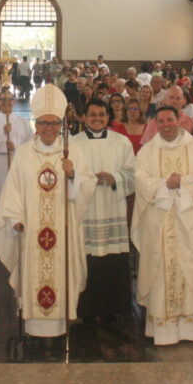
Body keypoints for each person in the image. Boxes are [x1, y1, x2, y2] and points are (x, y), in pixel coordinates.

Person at [0, 83, 96, 340]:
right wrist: (15, 219)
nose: (49, 128)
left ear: (62, 125)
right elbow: (13, 188)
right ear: (35, 124)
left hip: (62, 232)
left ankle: (60, 328)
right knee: (33, 277)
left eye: (54, 123)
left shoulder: (72, 151)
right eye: (43, 123)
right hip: (31, 232)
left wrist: (73, 175)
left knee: (60, 276)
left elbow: (88, 185)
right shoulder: (24, 153)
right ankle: (33, 328)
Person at [132, 106, 193, 345]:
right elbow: (140, 180)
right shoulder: (147, 151)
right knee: (160, 271)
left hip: (190, 223)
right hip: (158, 222)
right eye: (161, 121)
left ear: (179, 120)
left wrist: (183, 183)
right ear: (155, 124)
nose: (166, 125)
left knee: (190, 271)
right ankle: (161, 331)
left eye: (170, 119)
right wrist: (164, 186)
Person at [72, 99, 136, 327]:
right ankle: (86, 312)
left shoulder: (122, 142)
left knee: (113, 262)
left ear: (108, 117)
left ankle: (112, 312)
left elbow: (133, 174)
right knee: (87, 260)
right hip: (86, 212)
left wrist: (114, 178)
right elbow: (67, 177)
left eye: (101, 114)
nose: (97, 118)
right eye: (92, 114)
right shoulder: (74, 143)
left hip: (112, 210)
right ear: (85, 117)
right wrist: (87, 180)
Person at [0, 92, 33, 212]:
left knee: (15, 196)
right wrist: (2, 141)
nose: (6, 102)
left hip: (16, 164)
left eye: (10, 99)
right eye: (2, 99)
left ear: (14, 101)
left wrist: (15, 147)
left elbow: (30, 144)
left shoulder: (23, 122)